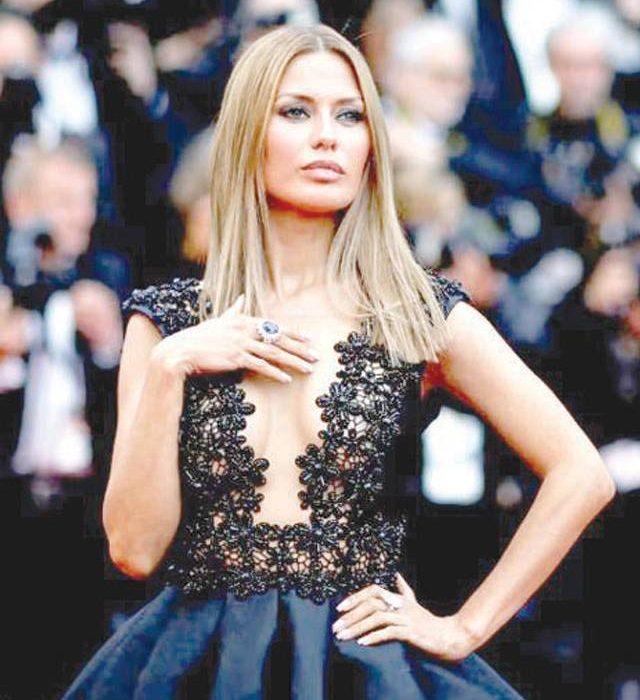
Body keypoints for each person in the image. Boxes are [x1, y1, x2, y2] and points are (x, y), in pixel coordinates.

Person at [62, 24, 614, 699]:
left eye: (350, 116)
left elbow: (581, 473)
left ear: (370, 146)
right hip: (198, 663)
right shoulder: (168, 325)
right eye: (296, 111)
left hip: (363, 665)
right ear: (247, 134)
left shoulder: (418, 316)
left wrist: (464, 628)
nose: (328, 136)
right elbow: (133, 549)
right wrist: (168, 368)